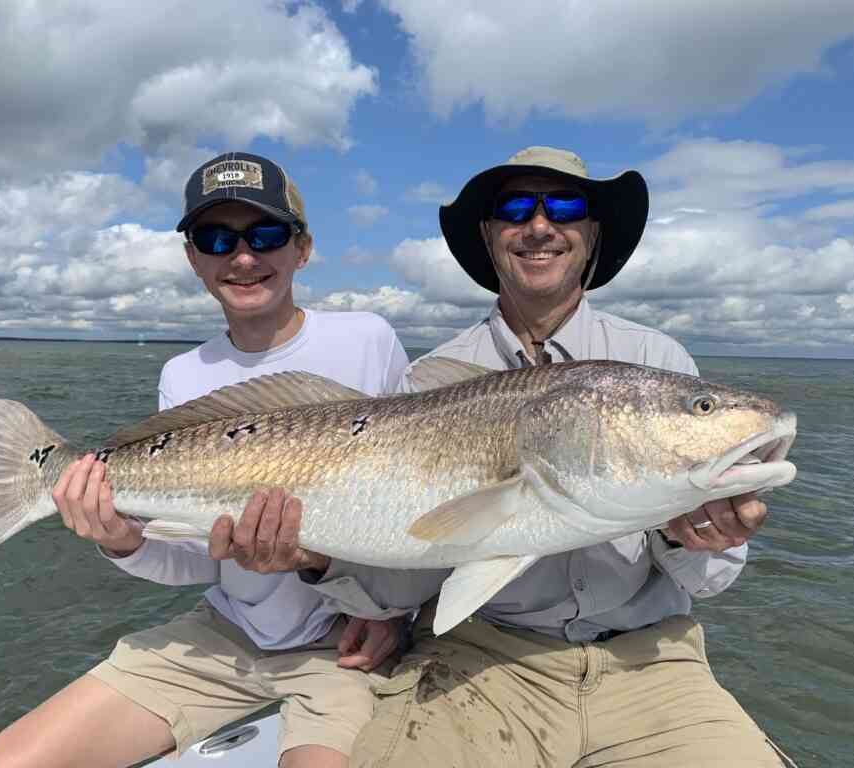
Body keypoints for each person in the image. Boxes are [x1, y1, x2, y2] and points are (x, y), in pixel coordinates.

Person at [233, 147, 796, 767]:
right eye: (513, 208)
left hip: (652, 665)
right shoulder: (431, 381)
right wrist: (312, 559)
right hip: (481, 662)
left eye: (565, 206)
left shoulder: (658, 361)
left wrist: (693, 538)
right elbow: (408, 573)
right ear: (489, 235)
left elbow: (711, 581)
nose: (538, 224)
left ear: (592, 231)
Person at [0, 151, 410, 768]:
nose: (245, 256)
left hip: (346, 646)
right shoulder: (184, 374)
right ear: (194, 258)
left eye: (266, 234)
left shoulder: (369, 339)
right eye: (216, 238)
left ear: (302, 249)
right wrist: (121, 542)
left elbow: (424, 493)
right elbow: (199, 563)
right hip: (222, 637)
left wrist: (403, 614)